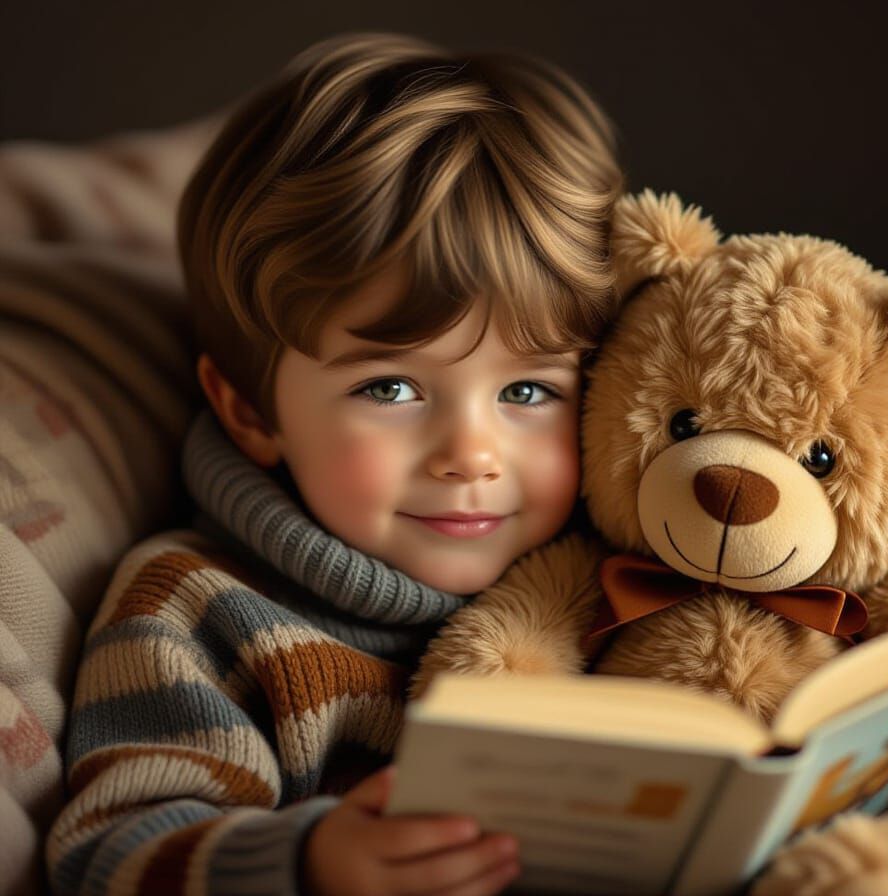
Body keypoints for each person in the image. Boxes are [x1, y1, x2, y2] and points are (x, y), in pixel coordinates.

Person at [47, 32, 622, 896]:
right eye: (390, 389)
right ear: (250, 409)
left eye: (530, 392)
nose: (471, 455)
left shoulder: (637, 574)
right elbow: (108, 858)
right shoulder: (199, 612)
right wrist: (307, 864)